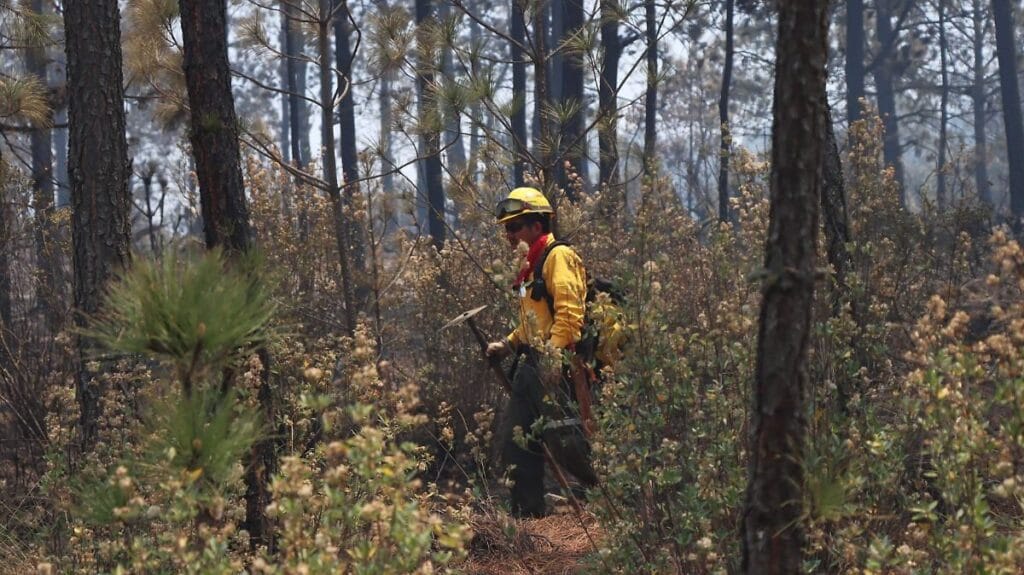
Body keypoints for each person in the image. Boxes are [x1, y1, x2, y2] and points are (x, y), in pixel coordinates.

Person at [485, 186, 598, 518]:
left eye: (515, 226)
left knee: (569, 445)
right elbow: (533, 322)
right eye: (506, 228)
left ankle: (621, 500)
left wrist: (552, 358)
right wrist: (508, 344)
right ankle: (527, 520)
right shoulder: (529, 265)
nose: (509, 234)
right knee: (517, 443)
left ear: (537, 225)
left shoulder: (558, 257)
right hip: (531, 365)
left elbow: (570, 317)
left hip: (558, 366)